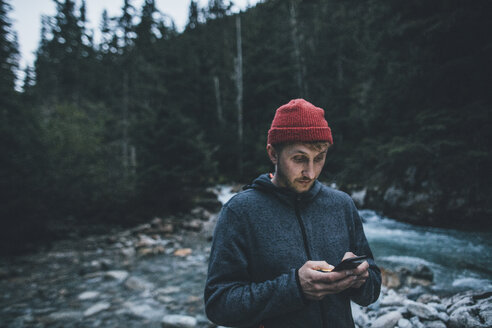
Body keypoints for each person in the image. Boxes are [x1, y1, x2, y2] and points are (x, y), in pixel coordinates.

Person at [204, 99, 381, 328]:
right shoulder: (240, 212)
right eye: (299, 159)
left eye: (319, 158)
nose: (310, 171)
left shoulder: (342, 205)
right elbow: (219, 304)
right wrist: (295, 287)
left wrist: (360, 280)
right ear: (273, 154)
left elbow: (372, 291)